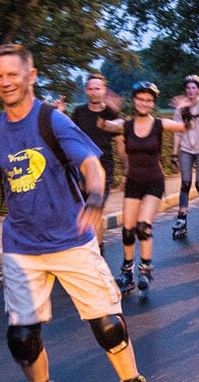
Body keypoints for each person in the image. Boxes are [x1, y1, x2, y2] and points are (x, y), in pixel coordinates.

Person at [0, 43, 180, 382]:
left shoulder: (51, 121)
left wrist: (94, 197)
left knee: (108, 326)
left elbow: (92, 165)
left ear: (30, 75)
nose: (4, 82)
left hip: (70, 239)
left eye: (12, 74)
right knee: (21, 338)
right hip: (22, 246)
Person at [98, 81, 188, 301]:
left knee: (142, 227)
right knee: (127, 231)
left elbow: (185, 127)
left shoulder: (159, 124)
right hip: (133, 183)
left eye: (149, 100)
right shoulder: (125, 124)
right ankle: (127, 271)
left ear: (153, 103)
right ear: (134, 100)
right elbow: (103, 125)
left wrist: (185, 109)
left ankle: (145, 270)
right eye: (140, 98)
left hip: (154, 183)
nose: (144, 103)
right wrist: (106, 107)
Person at [71, 72, 125, 255]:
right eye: (91, 89)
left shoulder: (111, 114)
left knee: (96, 209)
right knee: (81, 210)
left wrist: (126, 171)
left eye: (98, 88)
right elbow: (69, 138)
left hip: (104, 168)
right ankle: (84, 250)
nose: (94, 92)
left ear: (104, 90)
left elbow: (120, 143)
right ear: (86, 91)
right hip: (81, 169)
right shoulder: (78, 113)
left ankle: (98, 253)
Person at [170, 74, 199, 240]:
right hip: (186, 149)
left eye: (194, 88)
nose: (190, 91)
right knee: (186, 183)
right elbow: (177, 133)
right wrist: (174, 154)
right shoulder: (180, 108)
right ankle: (182, 216)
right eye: (188, 88)